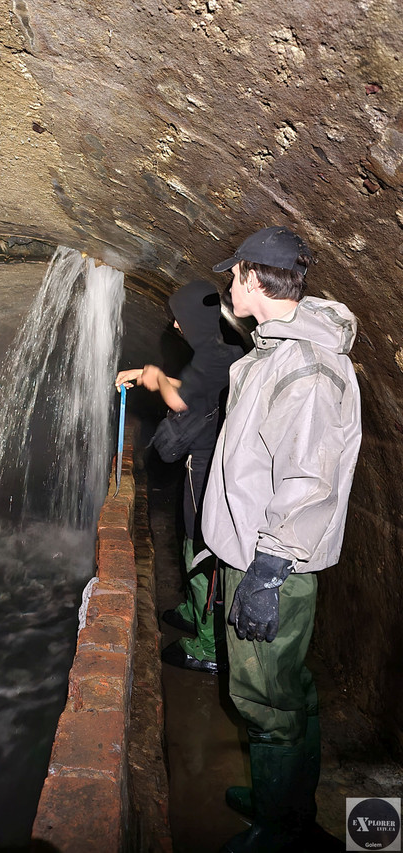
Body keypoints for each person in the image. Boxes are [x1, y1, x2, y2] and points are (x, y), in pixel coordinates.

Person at [203, 226, 362, 852]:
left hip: (273, 561)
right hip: (256, 550)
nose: (228, 286)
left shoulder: (306, 367)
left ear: (252, 277)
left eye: (233, 275)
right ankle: (283, 801)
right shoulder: (275, 352)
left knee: (266, 698)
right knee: (284, 689)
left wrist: (268, 569)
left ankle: (282, 829)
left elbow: (307, 476)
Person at [115, 279, 242, 674]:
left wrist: (152, 377)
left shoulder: (216, 358)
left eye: (179, 318)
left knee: (203, 549)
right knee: (189, 539)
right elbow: (191, 389)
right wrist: (144, 372)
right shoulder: (219, 353)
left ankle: (208, 648)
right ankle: (192, 610)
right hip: (202, 467)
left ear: (193, 319)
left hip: (207, 471)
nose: (173, 326)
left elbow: (182, 399)